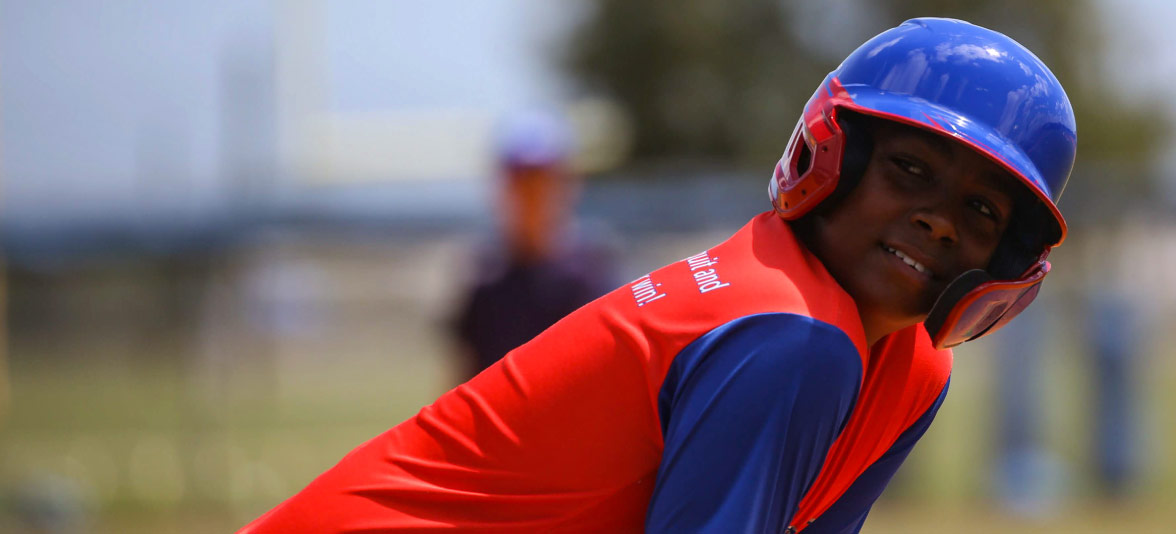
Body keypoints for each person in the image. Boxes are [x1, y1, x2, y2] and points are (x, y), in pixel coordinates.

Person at [240, 17, 1077, 533]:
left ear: (1007, 265)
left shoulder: (906, 371)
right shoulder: (790, 335)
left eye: (983, 214)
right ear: (832, 158)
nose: (939, 220)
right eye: (909, 169)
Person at [448, 111, 618, 383]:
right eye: (521, 182)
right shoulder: (485, 281)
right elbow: (463, 385)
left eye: (541, 182)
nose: (533, 197)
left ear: (569, 183)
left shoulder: (594, 273)